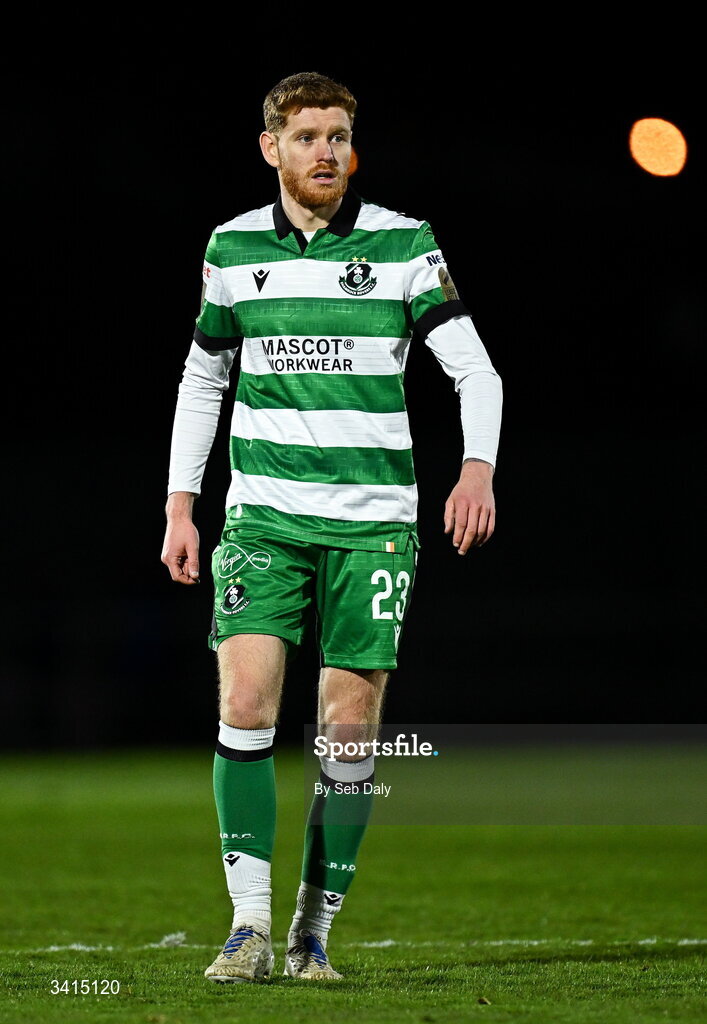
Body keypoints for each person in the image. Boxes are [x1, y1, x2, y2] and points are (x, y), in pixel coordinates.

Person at [161, 70, 502, 984]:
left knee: (348, 734)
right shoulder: (231, 248)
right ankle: (249, 926)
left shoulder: (403, 244)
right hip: (263, 519)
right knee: (243, 706)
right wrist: (180, 505)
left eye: (338, 135)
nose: (326, 151)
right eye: (307, 135)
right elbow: (204, 379)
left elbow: (477, 373)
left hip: (372, 526)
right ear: (270, 147)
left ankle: (313, 931)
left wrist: (477, 467)